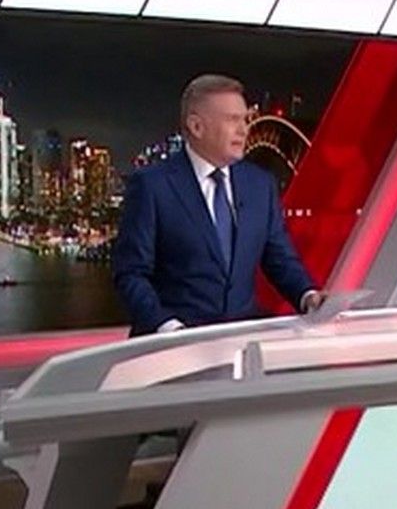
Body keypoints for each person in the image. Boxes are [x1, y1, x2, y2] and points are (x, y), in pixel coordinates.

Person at [113, 74, 326, 336]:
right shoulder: (152, 185)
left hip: (240, 341)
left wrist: (308, 296)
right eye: (232, 120)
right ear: (196, 126)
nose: (244, 130)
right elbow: (130, 274)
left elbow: (279, 258)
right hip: (171, 345)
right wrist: (168, 327)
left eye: (245, 119)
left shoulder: (260, 184)